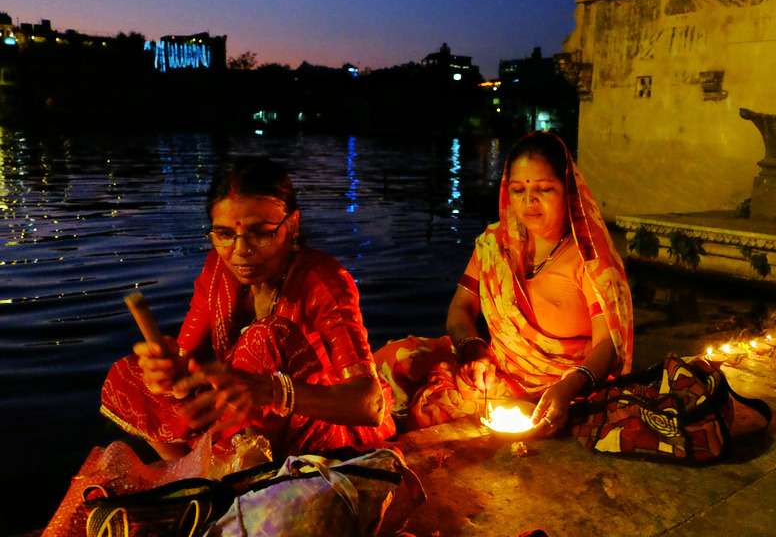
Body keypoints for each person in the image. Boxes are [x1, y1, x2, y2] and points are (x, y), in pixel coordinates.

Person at [101, 156, 395, 462]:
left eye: (261, 232)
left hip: (320, 425)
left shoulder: (323, 281)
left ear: (292, 225)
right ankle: (181, 470)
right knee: (127, 374)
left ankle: (244, 473)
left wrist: (270, 390)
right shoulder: (217, 270)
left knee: (263, 339)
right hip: (242, 413)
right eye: (225, 234)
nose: (241, 251)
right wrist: (165, 372)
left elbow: (370, 405)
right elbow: (186, 361)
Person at [375, 131, 632, 434]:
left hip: (559, 390)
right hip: (496, 371)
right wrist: (473, 349)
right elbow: (460, 308)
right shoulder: (495, 245)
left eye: (544, 189)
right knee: (393, 362)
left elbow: (608, 345)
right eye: (518, 189)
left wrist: (567, 388)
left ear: (568, 191)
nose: (529, 201)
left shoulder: (589, 260)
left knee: (430, 412)